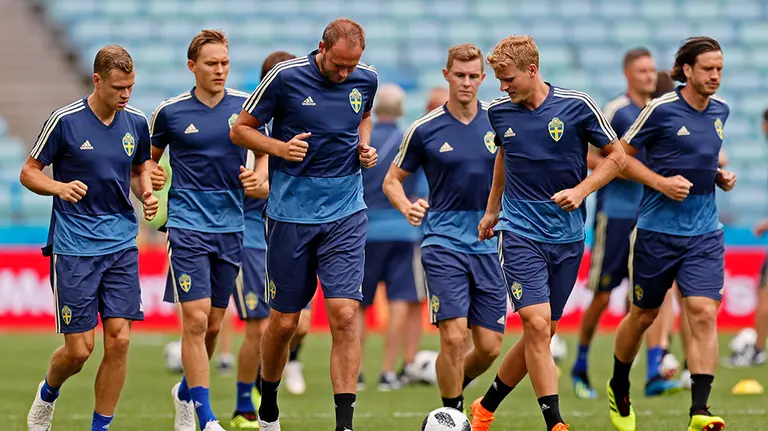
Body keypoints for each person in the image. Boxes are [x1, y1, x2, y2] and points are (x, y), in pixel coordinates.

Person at [469, 35, 626, 431]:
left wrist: (581, 190)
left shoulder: (577, 106)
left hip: (568, 235)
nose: (502, 88)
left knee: (544, 329)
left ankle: (485, 407)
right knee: (537, 325)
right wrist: (492, 210)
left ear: (532, 70)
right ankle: (555, 423)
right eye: (499, 81)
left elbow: (617, 157)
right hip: (519, 230)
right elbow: (505, 155)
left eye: (508, 79)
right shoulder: (500, 113)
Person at [230, 18, 378, 431]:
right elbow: (240, 130)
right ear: (322, 48)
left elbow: (363, 115)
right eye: (338, 66)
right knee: (284, 323)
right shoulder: (284, 77)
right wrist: (278, 147)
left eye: (352, 66)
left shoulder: (366, 80)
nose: (345, 74)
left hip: (347, 212)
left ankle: (344, 424)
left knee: (345, 315)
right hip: (289, 216)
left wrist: (364, 146)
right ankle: (269, 406)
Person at [23, 45, 159, 431]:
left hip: (120, 243)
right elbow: (29, 172)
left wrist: (145, 193)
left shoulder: (134, 122)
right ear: (97, 80)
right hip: (75, 246)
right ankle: (48, 393)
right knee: (79, 350)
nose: (126, 95)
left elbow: (136, 169)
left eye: (130, 87)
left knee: (119, 341)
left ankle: (100, 427)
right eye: (118, 87)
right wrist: (58, 187)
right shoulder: (65, 121)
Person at [606, 37, 734, 431]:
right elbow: (619, 158)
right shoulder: (659, 110)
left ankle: (700, 410)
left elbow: (698, 159)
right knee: (643, 316)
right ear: (687, 71)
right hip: (658, 232)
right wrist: (661, 184)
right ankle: (619, 382)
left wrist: (717, 177)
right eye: (708, 68)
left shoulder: (721, 112)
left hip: (704, 232)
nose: (715, 76)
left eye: (720, 69)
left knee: (703, 312)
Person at [384, 43, 506, 412]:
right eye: (460, 75)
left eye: (473, 76)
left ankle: (453, 384)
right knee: (453, 337)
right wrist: (407, 206)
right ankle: (451, 414)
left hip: (488, 242)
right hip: (443, 242)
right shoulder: (425, 129)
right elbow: (392, 179)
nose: (466, 82)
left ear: (483, 79)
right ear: (446, 75)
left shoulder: (500, 122)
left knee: (488, 348)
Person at [150, 30, 259, 431]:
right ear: (192, 66)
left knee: (214, 324)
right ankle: (205, 415)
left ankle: (185, 391)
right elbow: (146, 162)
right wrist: (149, 184)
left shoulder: (246, 108)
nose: (219, 70)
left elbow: (263, 152)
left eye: (224, 63)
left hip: (231, 226)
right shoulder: (171, 112)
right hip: (187, 225)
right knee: (194, 321)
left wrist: (259, 179)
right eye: (211, 63)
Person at [571, 49, 682, 399]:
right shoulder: (616, 111)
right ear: (628, 74)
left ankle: (653, 371)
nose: (650, 76)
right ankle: (581, 365)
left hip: (650, 215)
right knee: (603, 295)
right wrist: (617, 167)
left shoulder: (659, 113)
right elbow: (587, 153)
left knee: (650, 298)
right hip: (615, 214)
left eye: (652, 70)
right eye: (642, 70)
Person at [360, 82, 427, 391]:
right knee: (401, 299)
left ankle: (356, 371)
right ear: (400, 109)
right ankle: (389, 371)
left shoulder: (361, 140)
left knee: (359, 303)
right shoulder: (409, 140)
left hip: (363, 230)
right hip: (403, 230)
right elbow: (422, 191)